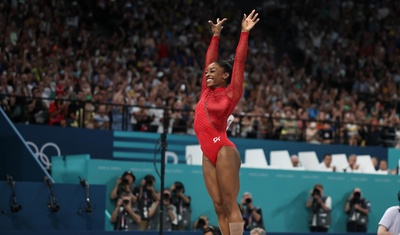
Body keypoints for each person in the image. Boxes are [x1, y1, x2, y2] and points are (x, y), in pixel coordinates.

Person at [193, 10, 259, 235]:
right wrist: (216, 35)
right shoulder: (205, 91)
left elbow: (239, 61)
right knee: (218, 207)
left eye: (213, 71)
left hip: (222, 148)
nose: (208, 73)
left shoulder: (232, 92)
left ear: (225, 76)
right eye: (206, 72)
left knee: (230, 205)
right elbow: (208, 59)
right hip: (206, 152)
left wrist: (244, 32)